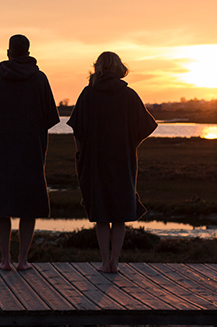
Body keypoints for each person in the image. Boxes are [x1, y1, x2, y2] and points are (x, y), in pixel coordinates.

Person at [0, 34, 60, 270]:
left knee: (1, 206)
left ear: (9, 52)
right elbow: (51, 118)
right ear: (28, 53)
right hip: (31, 151)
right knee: (28, 205)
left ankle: (5, 259)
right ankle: (22, 259)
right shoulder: (40, 79)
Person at [67, 51, 157, 273]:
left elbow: (77, 131)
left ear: (97, 67)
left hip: (95, 161)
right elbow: (147, 126)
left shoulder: (88, 94)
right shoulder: (129, 95)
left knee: (101, 213)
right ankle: (115, 262)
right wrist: (131, 143)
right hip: (122, 160)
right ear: (119, 68)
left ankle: (104, 262)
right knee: (120, 213)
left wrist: (80, 154)